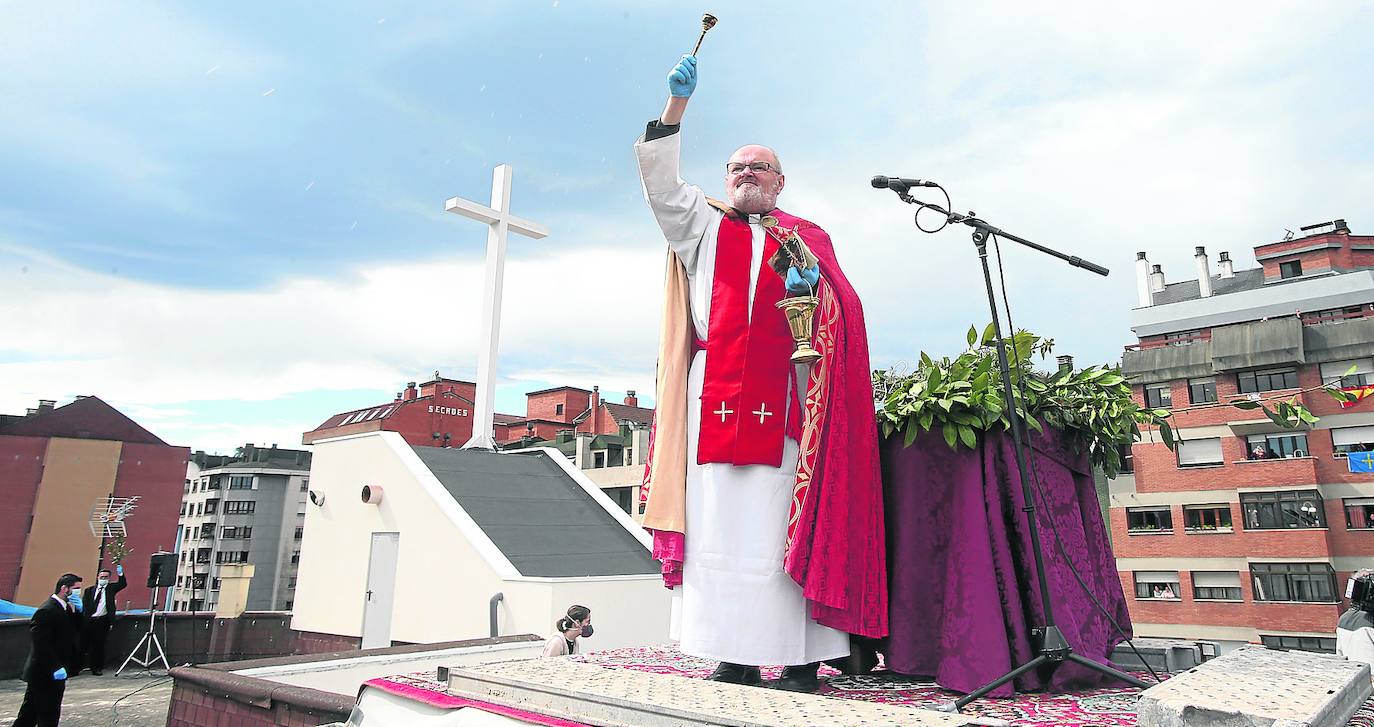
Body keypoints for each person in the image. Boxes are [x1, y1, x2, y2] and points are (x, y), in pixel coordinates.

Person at [635, 53, 887, 693]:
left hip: (790, 401)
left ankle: (800, 659)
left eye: (759, 168)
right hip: (712, 398)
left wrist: (815, 299)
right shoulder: (702, 225)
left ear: (780, 181)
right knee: (718, 528)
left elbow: (845, 310)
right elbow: (661, 186)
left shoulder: (808, 238)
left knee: (784, 529)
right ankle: (736, 653)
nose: (746, 175)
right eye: (737, 168)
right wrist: (676, 110)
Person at [13, 573, 82, 727]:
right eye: (76, 589)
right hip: (45, 673)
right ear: (64, 589)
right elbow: (40, 644)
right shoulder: (47, 610)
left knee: (28, 715)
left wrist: (79, 611)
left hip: (53, 673)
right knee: (48, 716)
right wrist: (55, 667)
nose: (78, 592)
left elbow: (76, 630)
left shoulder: (65, 609)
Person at [78, 564, 126, 675]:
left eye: (106, 577)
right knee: (82, 645)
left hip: (102, 621)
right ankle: (77, 667)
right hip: (89, 620)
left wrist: (120, 573)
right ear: (97, 577)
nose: (103, 579)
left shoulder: (110, 589)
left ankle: (96, 668)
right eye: (101, 577)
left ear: (109, 578)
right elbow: (85, 606)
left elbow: (122, 584)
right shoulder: (89, 591)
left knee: (98, 646)